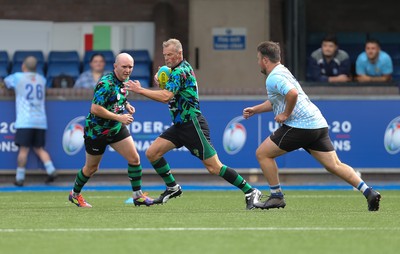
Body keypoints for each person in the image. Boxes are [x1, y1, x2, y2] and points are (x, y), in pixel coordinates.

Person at [242, 41, 381, 211]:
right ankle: (369, 192)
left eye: (258, 59)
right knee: (334, 165)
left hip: (300, 126)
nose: (258, 63)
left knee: (263, 154)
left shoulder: (273, 77)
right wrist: (256, 110)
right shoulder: (283, 71)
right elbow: (278, 99)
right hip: (317, 124)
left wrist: (285, 114)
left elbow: (292, 94)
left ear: (265, 60)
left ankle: (276, 196)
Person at [124, 38, 262, 210]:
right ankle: (172, 188)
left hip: (193, 125)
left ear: (179, 53)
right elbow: (172, 92)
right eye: (165, 55)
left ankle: (250, 191)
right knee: (153, 153)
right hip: (181, 125)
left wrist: (141, 90)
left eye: (170, 55)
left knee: (214, 167)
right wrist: (162, 83)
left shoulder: (181, 71)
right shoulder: (175, 70)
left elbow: (166, 96)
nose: (166, 59)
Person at [68, 53, 153, 208]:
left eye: (130, 67)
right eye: (124, 67)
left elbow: (120, 96)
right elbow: (95, 109)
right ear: (115, 66)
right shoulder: (105, 83)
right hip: (97, 131)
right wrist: (119, 117)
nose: (127, 70)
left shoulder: (125, 80)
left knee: (134, 159)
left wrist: (126, 105)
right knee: (92, 168)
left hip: (114, 128)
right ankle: (74, 194)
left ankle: (137, 196)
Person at [4, 56, 56, 186]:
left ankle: (20, 178)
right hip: (40, 121)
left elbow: (6, 82)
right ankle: (51, 170)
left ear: (23, 66)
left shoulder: (17, 77)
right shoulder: (41, 79)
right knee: (39, 148)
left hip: (25, 120)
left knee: (23, 150)